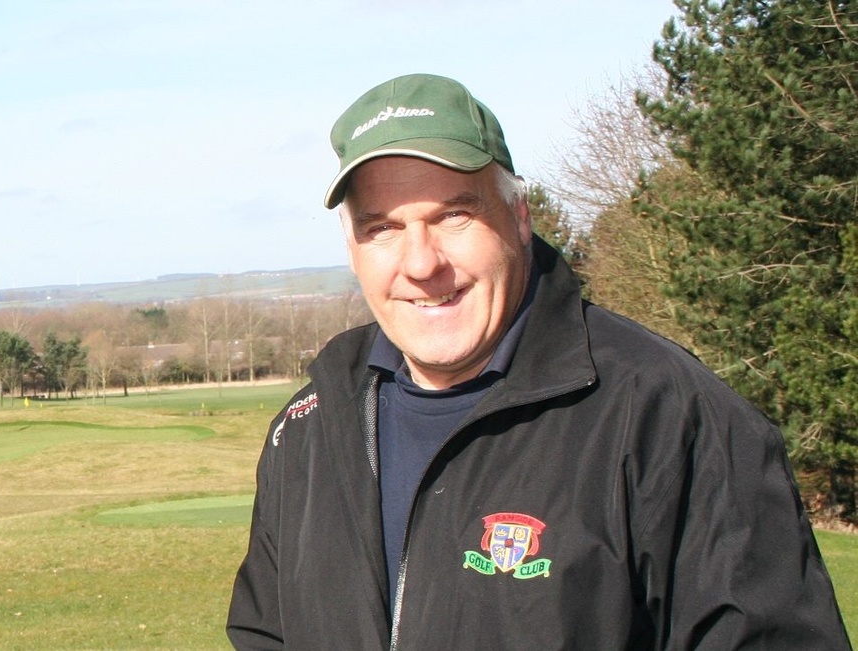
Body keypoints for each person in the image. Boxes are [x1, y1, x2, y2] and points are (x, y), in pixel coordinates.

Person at [226, 73, 848, 649]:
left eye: (454, 215)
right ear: (352, 246)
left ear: (519, 218)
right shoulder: (309, 425)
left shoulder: (668, 415)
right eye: (383, 228)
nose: (420, 264)